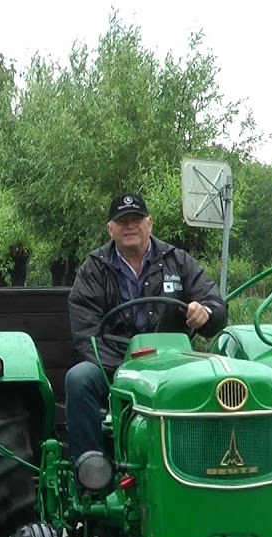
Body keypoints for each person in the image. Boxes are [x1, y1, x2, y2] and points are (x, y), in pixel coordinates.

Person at [65, 192, 229, 461]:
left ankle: (210, 463)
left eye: (136, 219)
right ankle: (91, 468)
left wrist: (205, 313)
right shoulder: (94, 268)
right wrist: (126, 371)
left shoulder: (178, 260)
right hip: (114, 366)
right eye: (122, 221)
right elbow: (86, 334)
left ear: (149, 224)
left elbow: (216, 306)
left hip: (174, 365)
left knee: (219, 379)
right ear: (110, 229)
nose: (130, 226)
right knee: (79, 378)